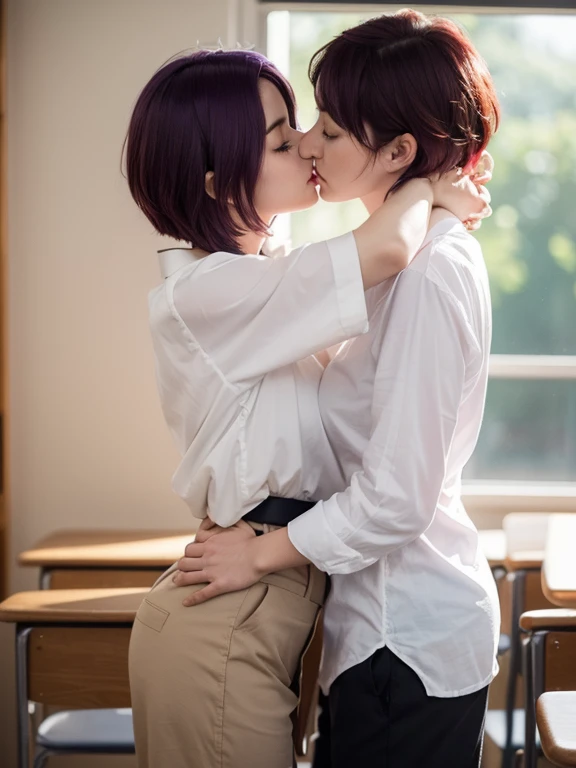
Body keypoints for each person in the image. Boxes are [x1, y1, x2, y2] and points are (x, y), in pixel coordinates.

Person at [124, 44, 487, 768]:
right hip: (236, 602)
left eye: (314, 128)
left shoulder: (266, 275)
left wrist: (421, 186)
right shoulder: (212, 294)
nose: (308, 145)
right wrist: (427, 184)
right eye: (284, 137)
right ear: (214, 174)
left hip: (273, 593)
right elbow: (382, 250)